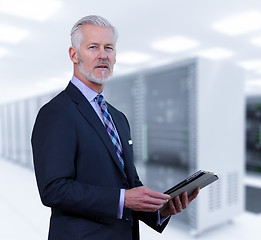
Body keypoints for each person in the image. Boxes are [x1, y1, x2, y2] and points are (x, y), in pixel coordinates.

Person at [31, 15, 199, 240]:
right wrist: (122, 199)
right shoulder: (56, 112)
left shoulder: (118, 117)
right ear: (74, 54)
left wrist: (160, 210)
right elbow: (54, 189)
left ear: (115, 56)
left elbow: (129, 186)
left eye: (109, 48)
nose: (103, 55)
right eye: (93, 47)